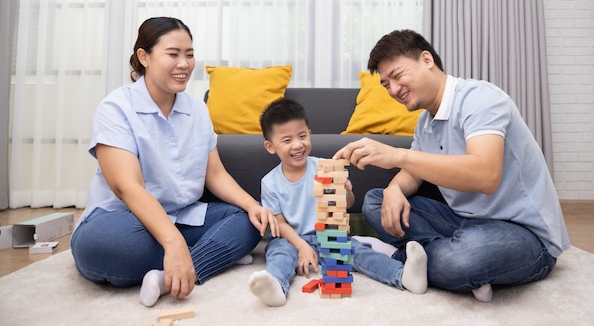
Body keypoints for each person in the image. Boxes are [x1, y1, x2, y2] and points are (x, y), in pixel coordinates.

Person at [333, 29, 570, 302]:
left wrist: (398, 155)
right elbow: (412, 173)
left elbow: (485, 175)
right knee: (376, 200)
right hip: (463, 223)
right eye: (386, 85)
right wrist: (394, 189)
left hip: (525, 234)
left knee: (466, 257)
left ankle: (395, 256)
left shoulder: (480, 99)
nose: (394, 90)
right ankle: (445, 262)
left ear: (426, 60)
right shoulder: (426, 122)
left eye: (397, 76)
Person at [71, 17, 278, 307]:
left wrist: (253, 206)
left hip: (182, 217)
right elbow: (126, 188)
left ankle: (165, 276)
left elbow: (215, 174)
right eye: (173, 54)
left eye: (189, 55)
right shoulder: (116, 108)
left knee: (247, 222)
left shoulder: (197, 110)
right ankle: (210, 254)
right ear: (144, 57)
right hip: (123, 220)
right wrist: (172, 241)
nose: (184, 64)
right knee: (105, 246)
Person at [248, 98, 427, 307]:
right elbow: (280, 224)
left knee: (357, 250)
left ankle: (403, 276)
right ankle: (276, 287)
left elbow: (346, 206)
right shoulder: (270, 182)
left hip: (327, 234)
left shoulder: (325, 167)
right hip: (290, 238)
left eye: (302, 136)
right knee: (279, 253)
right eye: (287, 140)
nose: (297, 145)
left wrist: (346, 193)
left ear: (309, 134)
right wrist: (302, 246)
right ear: (271, 147)